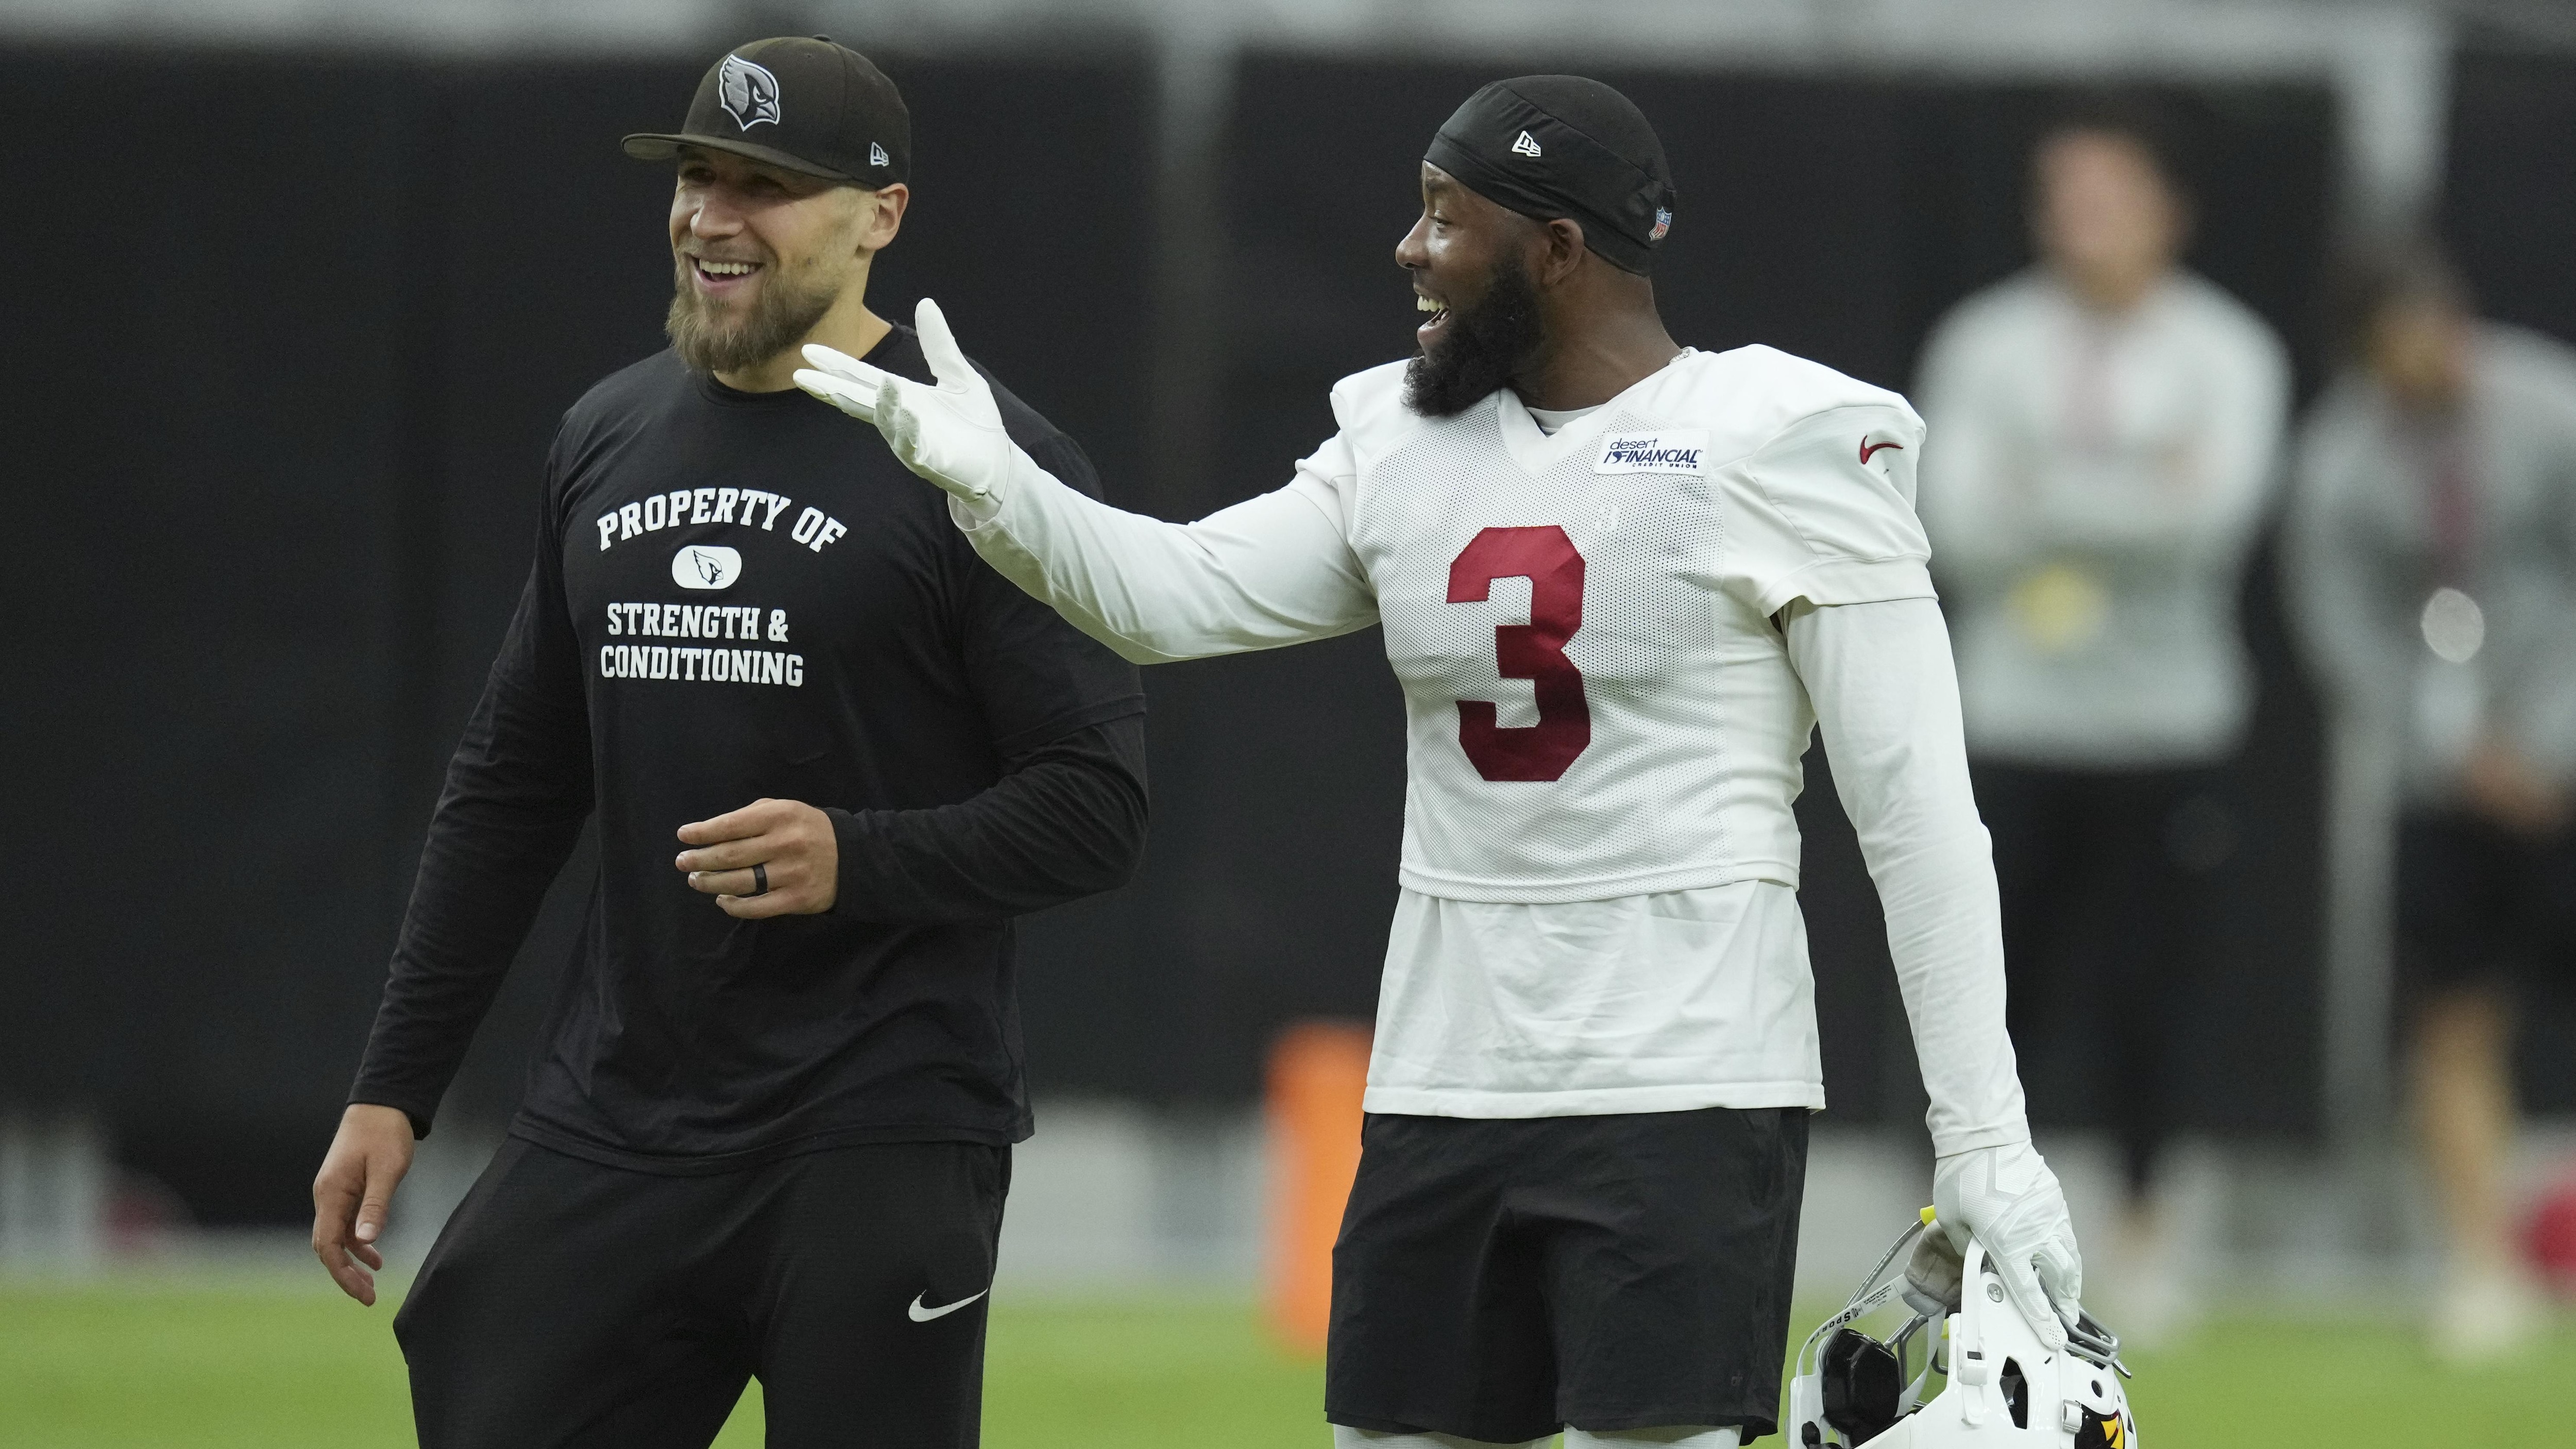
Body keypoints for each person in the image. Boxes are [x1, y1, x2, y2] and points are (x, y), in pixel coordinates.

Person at [803, 75, 2082, 1449]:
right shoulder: (1399, 437)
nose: (1408, 250)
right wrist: (1002, 493)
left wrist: (1984, 1135)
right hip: (1441, 1077)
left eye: (1442, 217)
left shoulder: (1779, 435)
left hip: (1684, 1081)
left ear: (1558, 248)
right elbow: (1169, 596)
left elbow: (1918, 815)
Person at [307, 37, 1147, 1447]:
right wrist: (394, 1083)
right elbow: (514, 787)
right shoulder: (607, 433)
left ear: (879, 215)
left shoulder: (986, 462)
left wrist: (854, 857)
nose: (713, 216)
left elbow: (1096, 804)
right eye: (698, 176)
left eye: (768, 185)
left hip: (877, 1129)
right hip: (620, 1113)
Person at [1910, 104, 2290, 1338]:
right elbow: (1959, 521)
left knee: (2155, 999)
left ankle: (2144, 1237)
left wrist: (2047, 491)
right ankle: (1973, 1232)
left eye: (2110, 196)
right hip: (2013, 720)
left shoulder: (2226, 352)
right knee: (1992, 995)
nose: (2086, 223)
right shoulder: (1985, 344)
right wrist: (2138, 486)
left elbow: (2214, 515)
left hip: (2167, 727)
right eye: (2063, 197)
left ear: (2167, 211)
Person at [2286, 246, 2576, 1362]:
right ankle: (2479, 1262)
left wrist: (2547, 743)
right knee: (2450, 1019)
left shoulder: (2548, 408)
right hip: (2439, 781)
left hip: (2562, 755)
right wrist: (2449, 749)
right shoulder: (2339, 463)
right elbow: (2343, 631)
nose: (2428, 358)